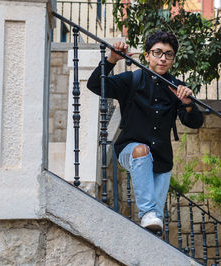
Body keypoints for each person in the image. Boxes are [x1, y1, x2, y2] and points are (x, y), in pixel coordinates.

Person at [87, 31, 203, 231]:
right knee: (142, 155)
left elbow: (194, 122)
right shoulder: (132, 80)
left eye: (168, 54)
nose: (163, 58)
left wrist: (188, 104)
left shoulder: (177, 87)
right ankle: (147, 213)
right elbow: (95, 84)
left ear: (173, 59)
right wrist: (112, 59)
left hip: (162, 160)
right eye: (157, 52)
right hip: (130, 150)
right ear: (147, 56)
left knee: (154, 222)